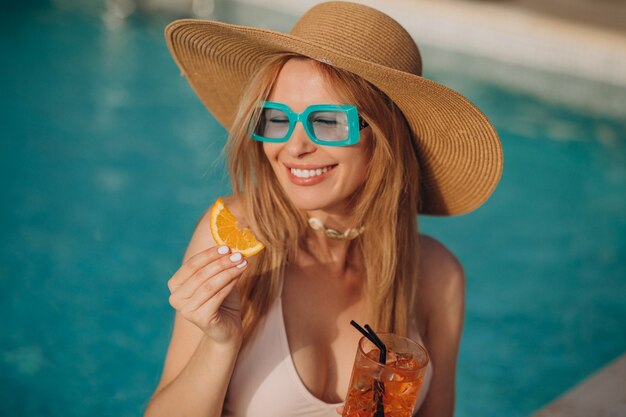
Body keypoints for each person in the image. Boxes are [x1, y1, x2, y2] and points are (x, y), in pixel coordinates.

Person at [144, 2, 502, 417]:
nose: (294, 146)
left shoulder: (436, 277)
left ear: (386, 137)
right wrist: (220, 342)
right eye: (277, 119)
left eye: (328, 121)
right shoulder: (237, 241)